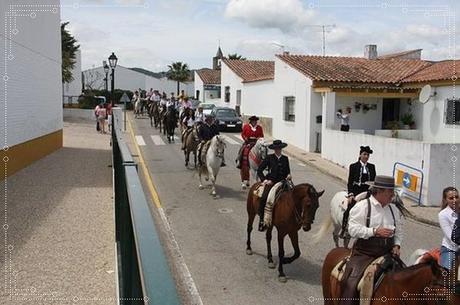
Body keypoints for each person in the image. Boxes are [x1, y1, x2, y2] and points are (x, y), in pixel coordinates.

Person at [339, 175, 403, 305]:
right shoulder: (362, 206)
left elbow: (399, 231)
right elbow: (352, 229)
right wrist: (374, 231)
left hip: (387, 253)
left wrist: (397, 245)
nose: (393, 195)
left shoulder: (394, 209)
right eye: (390, 191)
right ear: (379, 191)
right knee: (352, 283)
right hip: (365, 252)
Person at [340, 146, 376, 238]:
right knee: (349, 208)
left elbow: (374, 181)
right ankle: (344, 229)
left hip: (368, 192)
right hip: (356, 192)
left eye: (368, 155)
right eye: (364, 154)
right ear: (360, 155)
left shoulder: (372, 167)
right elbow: (350, 182)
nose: (366, 156)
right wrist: (351, 194)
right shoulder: (353, 166)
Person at [256, 140, 291, 231]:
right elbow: (259, 170)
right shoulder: (269, 158)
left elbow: (287, 172)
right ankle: (262, 220)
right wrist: (265, 180)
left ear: (281, 149)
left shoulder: (285, 158)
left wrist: (288, 176)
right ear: (274, 149)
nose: (278, 150)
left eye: (279, 148)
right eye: (276, 149)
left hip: (283, 182)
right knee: (264, 197)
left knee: (293, 195)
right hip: (271, 182)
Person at [237, 116, 264, 188]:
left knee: (263, 151)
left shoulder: (259, 128)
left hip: (256, 144)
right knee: (243, 152)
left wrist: (258, 139)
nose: (254, 122)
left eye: (255, 121)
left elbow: (261, 136)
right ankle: (239, 161)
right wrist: (246, 139)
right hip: (248, 143)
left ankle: (264, 163)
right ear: (251, 121)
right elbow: (243, 134)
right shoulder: (246, 127)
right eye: (253, 121)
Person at [438, 187, 459, 270]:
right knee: (446, 276)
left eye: (457, 197)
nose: (455, 200)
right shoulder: (443, 215)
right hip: (451, 249)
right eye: (451, 198)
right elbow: (452, 238)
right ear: (445, 200)